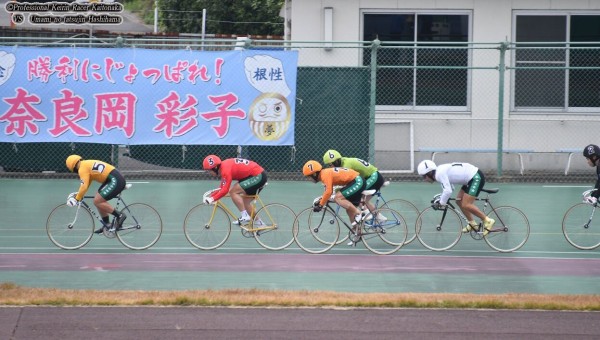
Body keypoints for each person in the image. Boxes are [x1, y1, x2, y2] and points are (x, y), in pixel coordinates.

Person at [417, 159, 495, 236]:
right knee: (459, 201)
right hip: (470, 178)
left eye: (424, 176)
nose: (424, 179)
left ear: (429, 173)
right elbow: (450, 188)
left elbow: (448, 191)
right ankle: (472, 224)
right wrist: (441, 199)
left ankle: (487, 220)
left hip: (475, 177)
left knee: (466, 204)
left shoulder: (439, 174)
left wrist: (441, 203)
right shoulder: (439, 171)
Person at [302, 160, 366, 244]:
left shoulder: (325, 175)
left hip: (357, 181)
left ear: (314, 174)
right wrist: (321, 200)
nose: (309, 179)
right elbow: (327, 192)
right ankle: (357, 232)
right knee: (349, 210)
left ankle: (360, 213)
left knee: (337, 198)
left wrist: (321, 205)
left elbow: (328, 192)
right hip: (355, 181)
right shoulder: (324, 174)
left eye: (309, 177)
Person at [65, 154, 127, 234]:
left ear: (72, 167)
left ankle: (120, 215)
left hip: (114, 180)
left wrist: (77, 199)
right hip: (113, 179)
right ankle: (106, 224)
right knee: (98, 200)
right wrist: (79, 195)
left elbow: (83, 186)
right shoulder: (85, 164)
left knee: (98, 201)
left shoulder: (82, 169)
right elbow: (86, 185)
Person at [322, 149, 386, 222]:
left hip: (374, 176)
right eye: (330, 165)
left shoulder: (346, 165)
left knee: (357, 195)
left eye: (332, 164)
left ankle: (367, 214)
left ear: (338, 161)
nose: (332, 166)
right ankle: (378, 216)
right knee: (364, 200)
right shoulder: (343, 161)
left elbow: (347, 184)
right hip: (371, 177)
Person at [202, 155, 267, 225]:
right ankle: (260, 223)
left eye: (209, 170)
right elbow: (221, 188)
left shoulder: (225, 170)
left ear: (215, 168)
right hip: (256, 176)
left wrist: (212, 199)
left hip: (258, 176)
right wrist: (211, 197)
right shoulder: (223, 167)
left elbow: (225, 190)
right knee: (246, 203)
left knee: (233, 192)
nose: (209, 173)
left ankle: (245, 216)